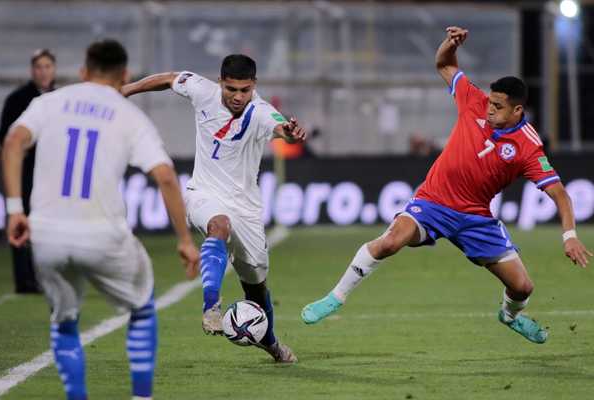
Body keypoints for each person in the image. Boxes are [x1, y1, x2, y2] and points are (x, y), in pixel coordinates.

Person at [301, 26, 592, 344]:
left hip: (475, 219)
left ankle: (510, 316)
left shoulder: (528, 146)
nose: (490, 108)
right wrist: (450, 45)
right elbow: (444, 64)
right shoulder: (474, 102)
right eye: (490, 102)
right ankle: (335, 297)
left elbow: (559, 193)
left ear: (517, 110)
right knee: (389, 242)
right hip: (433, 202)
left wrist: (569, 236)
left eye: (498, 106)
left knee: (523, 287)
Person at [2, 39, 200, 400]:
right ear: (124, 75)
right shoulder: (129, 116)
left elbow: (13, 142)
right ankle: (141, 397)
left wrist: (15, 209)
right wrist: (185, 240)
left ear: (82, 72)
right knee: (141, 307)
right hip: (102, 234)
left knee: (64, 322)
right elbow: (166, 176)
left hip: (46, 235)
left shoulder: (48, 103)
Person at [122, 54, 306, 363]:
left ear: (254, 87)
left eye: (244, 90)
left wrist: (288, 131)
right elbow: (169, 77)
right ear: (220, 82)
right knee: (218, 225)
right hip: (204, 194)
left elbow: (280, 127)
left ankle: (272, 343)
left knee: (257, 290)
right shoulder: (201, 90)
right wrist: (127, 90)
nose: (237, 96)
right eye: (231, 89)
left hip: (246, 209)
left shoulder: (261, 112)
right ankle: (211, 306)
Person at [0, 48, 56, 293]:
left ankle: (46, 276)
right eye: (38, 67)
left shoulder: (59, 98)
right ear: (32, 70)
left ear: (53, 69)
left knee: (47, 224)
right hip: (25, 172)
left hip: (50, 172)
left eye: (47, 66)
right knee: (22, 220)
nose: (43, 71)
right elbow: (4, 136)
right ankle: (24, 280)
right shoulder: (18, 99)